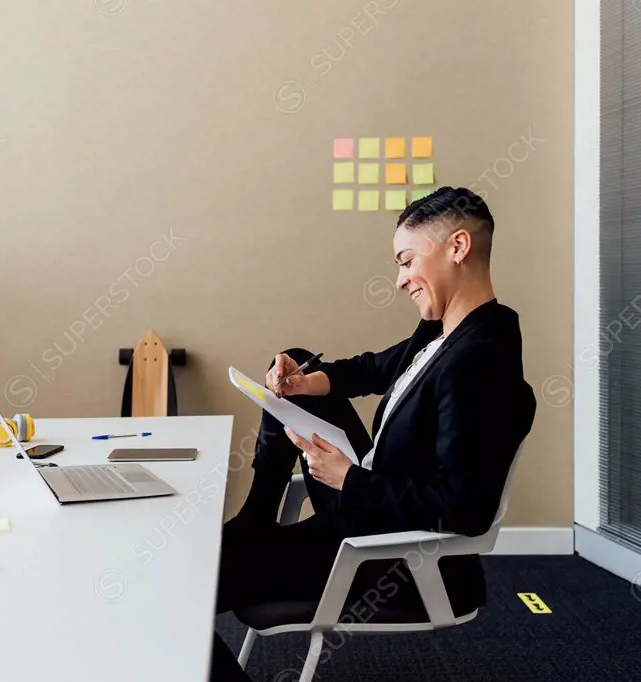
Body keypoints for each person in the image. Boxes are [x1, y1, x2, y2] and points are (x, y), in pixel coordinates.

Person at [209, 187, 537, 681]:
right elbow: (373, 368)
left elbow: (467, 508)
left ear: (458, 247)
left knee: (194, 576)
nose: (401, 280)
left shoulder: (481, 357)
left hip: (390, 558)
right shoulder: (443, 330)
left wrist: (347, 479)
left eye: (407, 261)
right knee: (297, 355)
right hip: (365, 510)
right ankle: (256, 516)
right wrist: (303, 382)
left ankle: (251, 536)